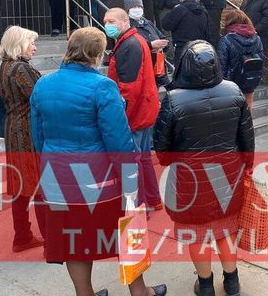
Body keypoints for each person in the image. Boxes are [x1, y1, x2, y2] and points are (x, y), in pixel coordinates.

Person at [30, 27, 167, 296]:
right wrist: (131, 183)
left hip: (57, 176)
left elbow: (38, 137)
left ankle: (85, 294)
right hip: (99, 180)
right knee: (126, 229)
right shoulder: (103, 86)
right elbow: (119, 142)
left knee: (73, 240)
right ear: (96, 54)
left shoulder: (43, 84)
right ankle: (140, 291)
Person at [153, 40, 254, 296]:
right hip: (228, 173)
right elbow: (247, 137)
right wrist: (247, 166)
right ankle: (232, 282)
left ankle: (206, 285)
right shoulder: (233, 90)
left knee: (196, 233)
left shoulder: (173, 100)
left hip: (190, 179)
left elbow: (162, 151)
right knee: (226, 227)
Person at [103, 8, 162, 210]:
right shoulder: (133, 41)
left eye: (112, 21)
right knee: (143, 158)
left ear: (125, 21)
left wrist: (122, 118)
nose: (107, 25)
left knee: (132, 161)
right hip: (144, 108)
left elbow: (129, 88)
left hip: (136, 112)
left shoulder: (128, 45)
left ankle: (139, 207)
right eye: (105, 21)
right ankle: (153, 199)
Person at [0, 26, 45, 253]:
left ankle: (22, 235)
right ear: (19, 45)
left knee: (20, 185)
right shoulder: (20, 68)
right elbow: (39, 98)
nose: (34, 47)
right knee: (39, 185)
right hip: (27, 131)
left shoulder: (3, 67)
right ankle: (49, 239)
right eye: (31, 43)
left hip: (13, 129)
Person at [218, 9, 263, 108]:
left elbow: (222, 67)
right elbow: (260, 60)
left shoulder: (225, 40)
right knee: (247, 111)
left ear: (229, 22)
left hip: (232, 86)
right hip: (250, 81)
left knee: (234, 113)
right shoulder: (257, 39)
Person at [162, 0, 210, 66]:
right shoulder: (203, 10)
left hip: (182, 49)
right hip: (200, 50)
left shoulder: (180, 9)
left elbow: (166, 25)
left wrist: (173, 11)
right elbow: (208, 32)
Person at [124, 0, 169, 68]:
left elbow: (163, 37)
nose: (137, 9)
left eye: (139, 7)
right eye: (134, 7)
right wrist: (151, 45)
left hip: (158, 64)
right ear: (127, 10)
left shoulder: (148, 23)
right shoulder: (126, 26)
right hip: (141, 65)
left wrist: (161, 46)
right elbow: (131, 45)